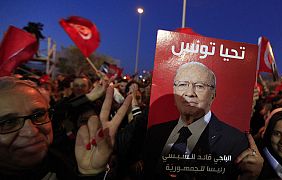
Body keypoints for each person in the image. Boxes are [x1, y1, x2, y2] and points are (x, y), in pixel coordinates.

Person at [144, 62, 263, 179]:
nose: (190, 93)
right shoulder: (155, 132)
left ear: (213, 94)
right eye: (182, 85)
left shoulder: (236, 141)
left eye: (200, 86)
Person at [0, 76, 132, 179]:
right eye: (8, 122)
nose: (31, 131)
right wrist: (87, 97)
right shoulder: (63, 132)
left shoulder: (65, 163)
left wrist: (91, 174)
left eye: (38, 115)